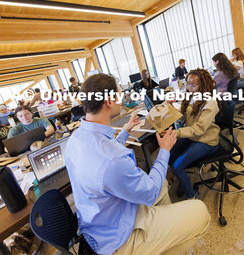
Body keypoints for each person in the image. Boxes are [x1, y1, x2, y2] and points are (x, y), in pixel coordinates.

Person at [65, 74, 210, 255]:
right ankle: (158, 243)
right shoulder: (112, 160)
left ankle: (164, 233)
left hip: (100, 221)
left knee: (163, 184)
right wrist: (164, 150)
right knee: (201, 212)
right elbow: (148, 190)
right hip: (118, 239)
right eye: (120, 94)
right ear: (109, 101)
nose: (123, 98)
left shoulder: (76, 139)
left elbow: (104, 161)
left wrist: (125, 131)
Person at [169, 68, 221, 199]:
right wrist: (167, 115)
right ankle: (183, 180)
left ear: (202, 85)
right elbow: (183, 115)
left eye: (193, 85)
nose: (189, 87)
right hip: (193, 136)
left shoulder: (210, 102)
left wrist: (177, 132)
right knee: (169, 155)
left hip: (206, 141)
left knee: (176, 166)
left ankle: (192, 196)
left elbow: (199, 129)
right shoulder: (191, 96)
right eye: (187, 83)